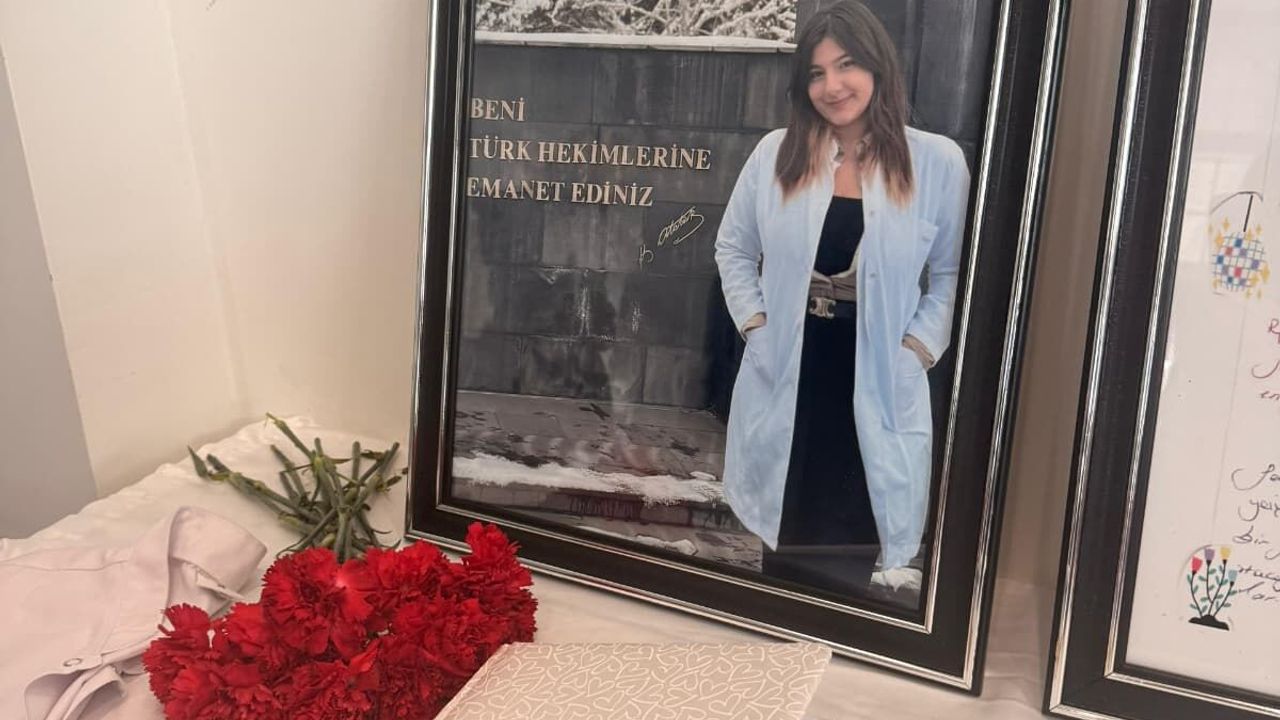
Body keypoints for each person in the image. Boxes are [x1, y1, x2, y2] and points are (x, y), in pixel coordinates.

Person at [714, 0, 970, 594]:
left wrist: (916, 351)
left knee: (851, 536)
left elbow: (954, 274)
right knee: (784, 532)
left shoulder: (935, 163)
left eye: (846, 64)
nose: (832, 86)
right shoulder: (777, 154)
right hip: (792, 365)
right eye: (816, 72)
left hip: (876, 371)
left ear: (877, 65)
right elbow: (733, 248)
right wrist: (756, 325)